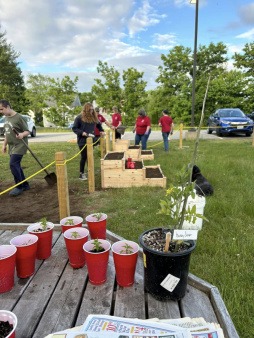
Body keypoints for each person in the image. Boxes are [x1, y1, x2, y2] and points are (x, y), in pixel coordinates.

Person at [0, 99, 30, 196]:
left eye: (1, 109)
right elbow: (7, 134)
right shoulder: (6, 118)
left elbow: (27, 131)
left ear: (8, 107)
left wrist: (22, 134)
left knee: (13, 164)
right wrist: (4, 145)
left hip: (20, 145)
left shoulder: (19, 117)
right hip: (12, 146)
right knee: (16, 165)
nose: (1, 112)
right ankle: (25, 185)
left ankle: (19, 186)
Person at [72, 102, 104, 180]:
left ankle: (90, 170)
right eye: (90, 110)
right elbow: (74, 128)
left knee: (90, 156)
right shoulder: (79, 118)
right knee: (84, 157)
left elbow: (99, 125)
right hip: (82, 141)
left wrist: (101, 131)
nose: (91, 111)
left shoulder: (94, 117)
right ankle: (81, 173)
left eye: (92, 110)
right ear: (86, 110)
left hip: (91, 140)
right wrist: (81, 132)